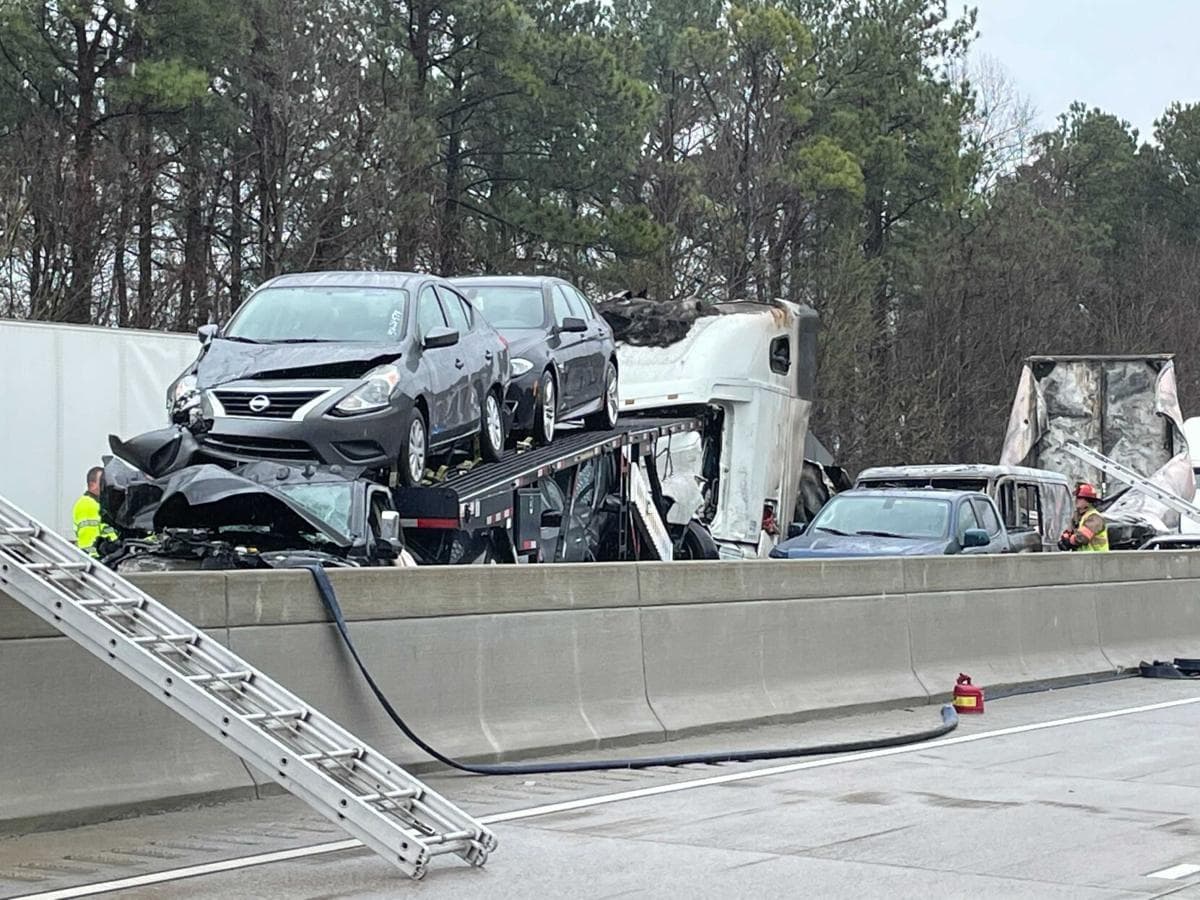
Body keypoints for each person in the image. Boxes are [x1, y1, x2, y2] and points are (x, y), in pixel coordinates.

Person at [73, 466, 118, 557]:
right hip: (98, 559)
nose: (107, 485)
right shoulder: (87, 505)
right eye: (103, 482)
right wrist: (97, 560)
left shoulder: (99, 503)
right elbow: (89, 542)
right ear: (92, 485)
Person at [1058, 483, 1109, 551]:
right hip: (1082, 556)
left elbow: (1082, 537)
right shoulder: (1078, 516)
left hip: (1097, 556)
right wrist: (1064, 538)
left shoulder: (1095, 518)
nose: (1076, 500)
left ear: (1089, 501)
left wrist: (1069, 541)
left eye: (1080, 498)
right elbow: (1069, 531)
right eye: (1077, 497)